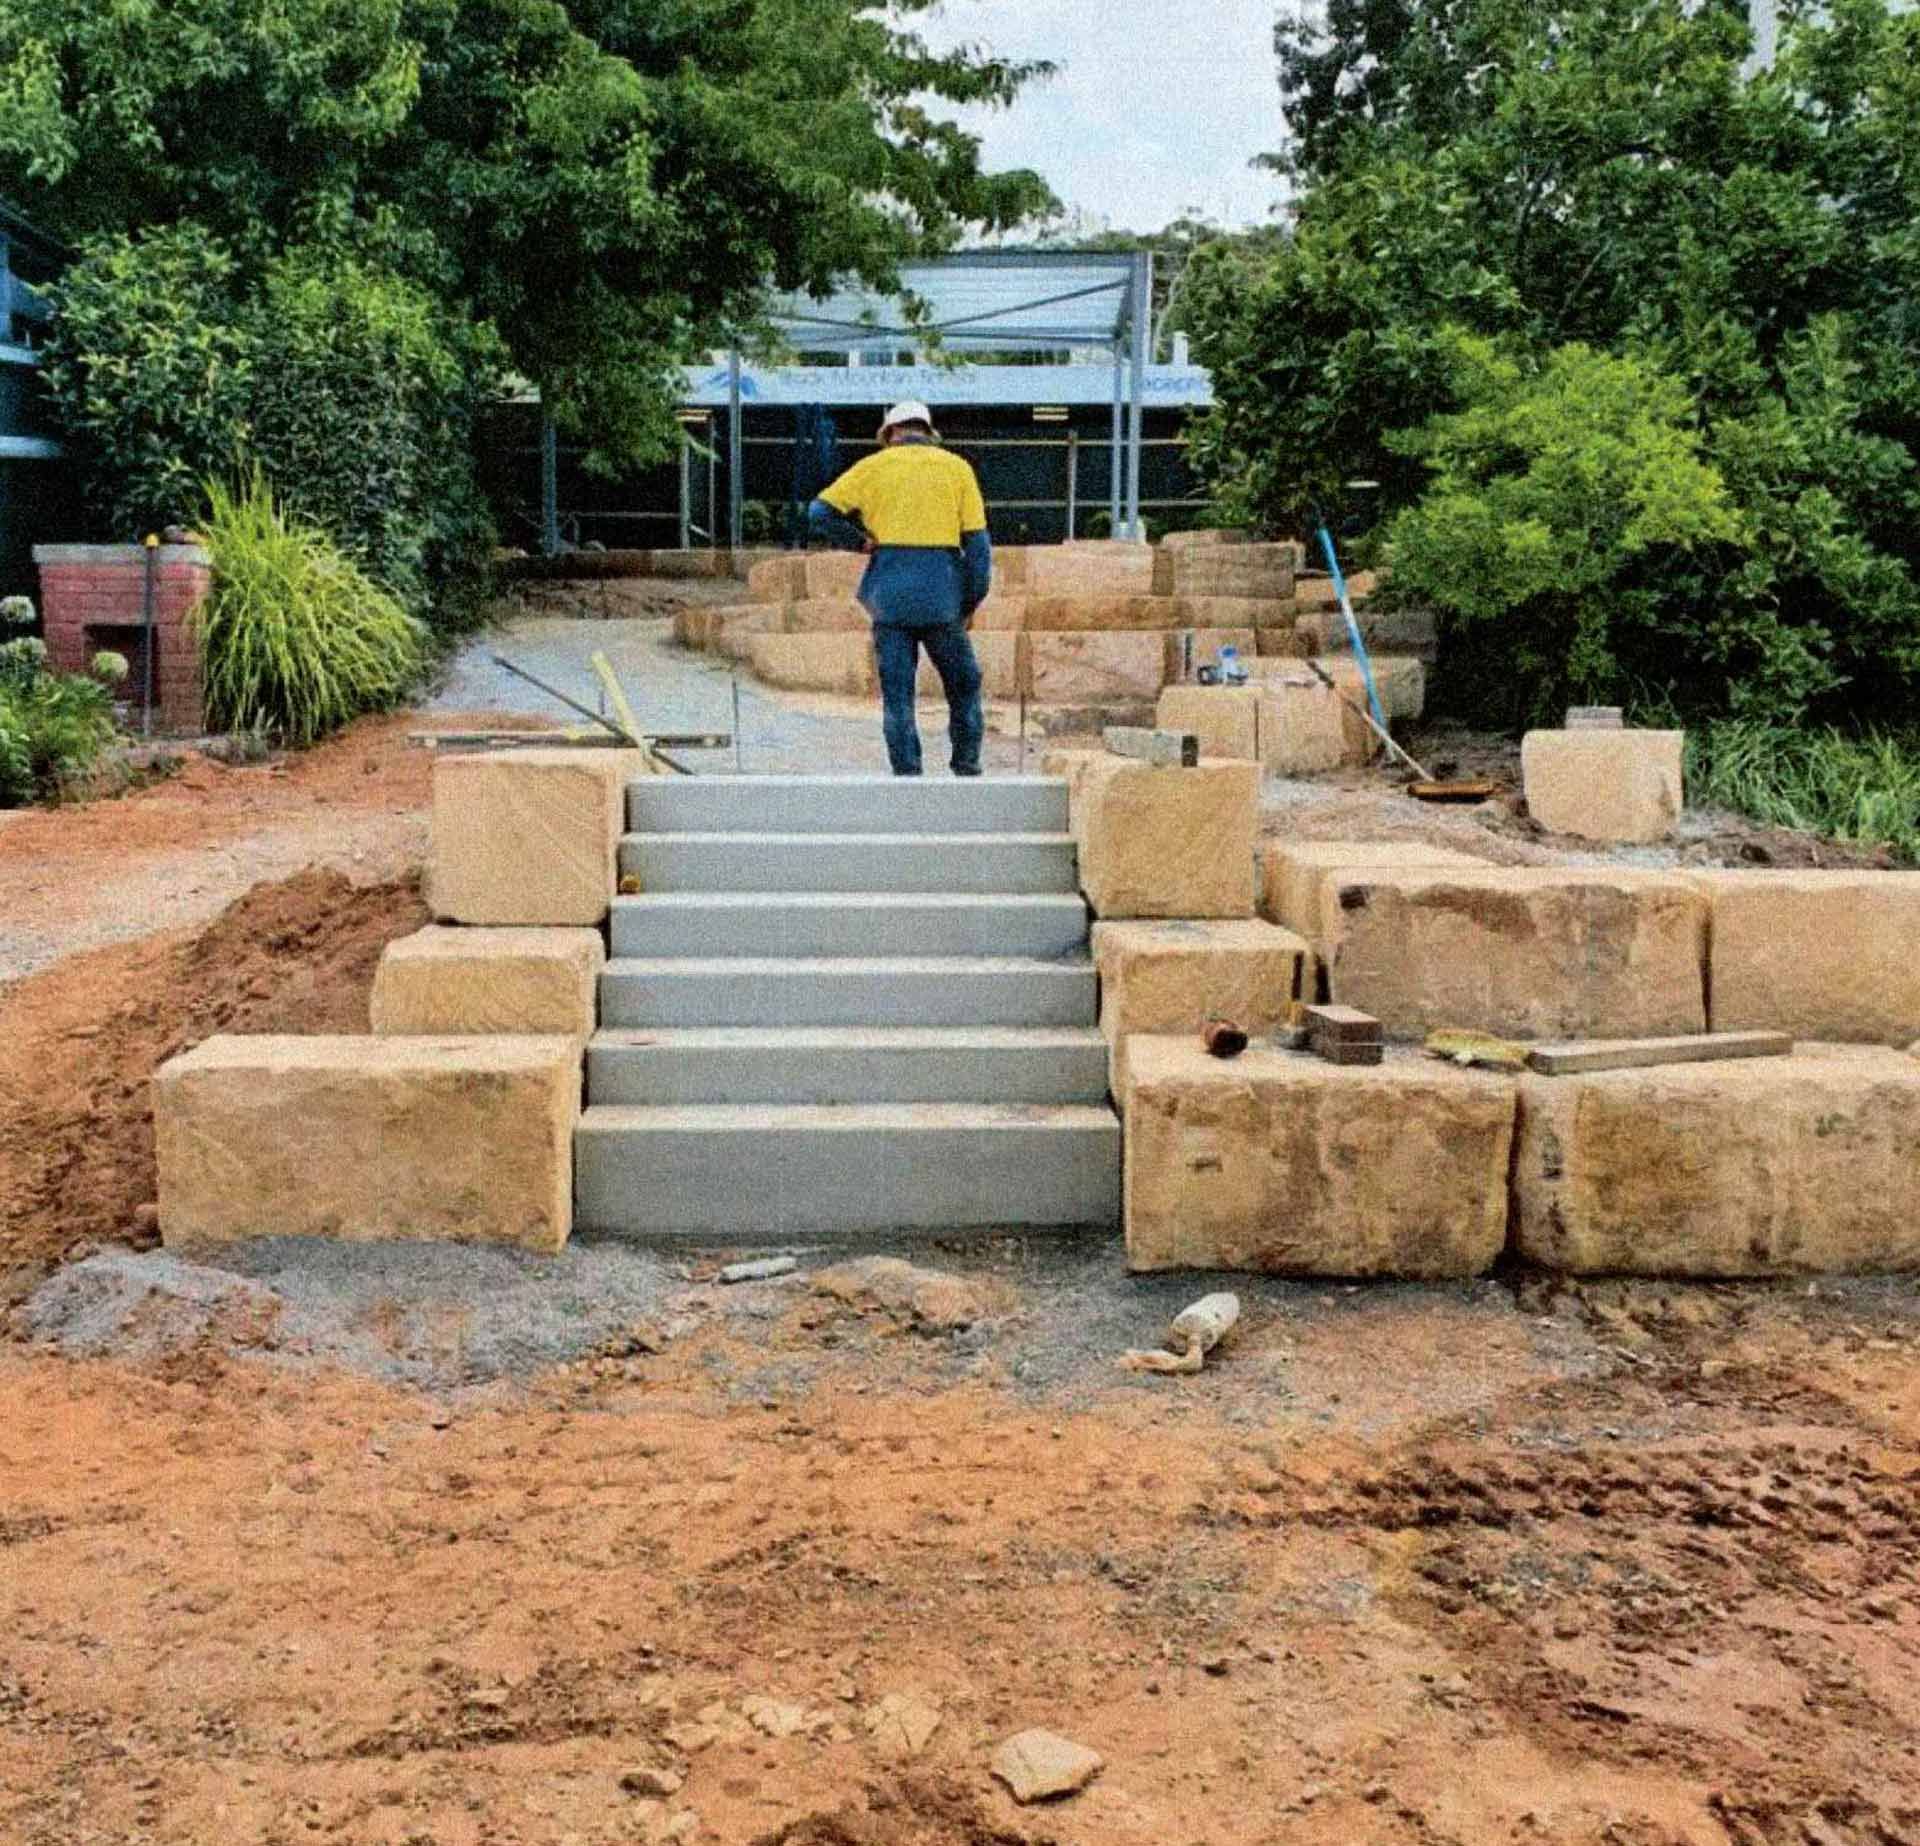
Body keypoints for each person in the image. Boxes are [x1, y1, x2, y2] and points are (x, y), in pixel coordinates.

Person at [808, 400, 992, 777]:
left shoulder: (872, 467)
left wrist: (859, 542)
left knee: (897, 696)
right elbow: (977, 546)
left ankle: (908, 774)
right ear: (929, 432)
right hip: (942, 596)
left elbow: (819, 512)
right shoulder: (957, 469)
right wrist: (969, 600)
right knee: (964, 685)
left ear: (889, 434)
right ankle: (967, 766)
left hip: (888, 597)